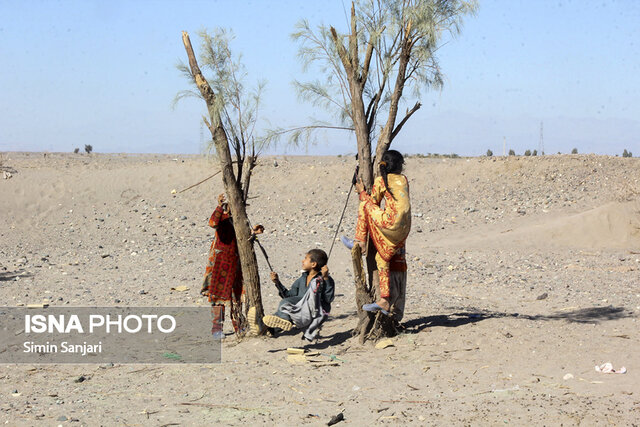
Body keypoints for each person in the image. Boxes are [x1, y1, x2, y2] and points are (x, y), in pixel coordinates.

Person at [341, 150, 411, 316]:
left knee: (365, 204)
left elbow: (372, 202)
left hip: (389, 224)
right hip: (403, 230)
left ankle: (359, 241)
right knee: (382, 258)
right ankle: (385, 300)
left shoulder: (381, 181)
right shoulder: (404, 180)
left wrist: (361, 191)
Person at [200, 193, 262, 339]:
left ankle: (239, 327)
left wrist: (254, 232)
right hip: (220, 262)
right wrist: (220, 207)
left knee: (237, 296)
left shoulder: (241, 220)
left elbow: (245, 238)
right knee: (217, 296)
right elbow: (212, 223)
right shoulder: (222, 217)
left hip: (237, 262)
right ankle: (216, 329)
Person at [262, 249, 335, 341]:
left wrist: (326, 278)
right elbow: (289, 295)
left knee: (285, 304)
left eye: (305, 259)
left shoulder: (324, 280)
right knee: (280, 313)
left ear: (313, 264)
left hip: (314, 312)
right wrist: (277, 282)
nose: (302, 261)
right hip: (300, 311)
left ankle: (284, 319)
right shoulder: (302, 278)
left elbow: (329, 299)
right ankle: (268, 329)